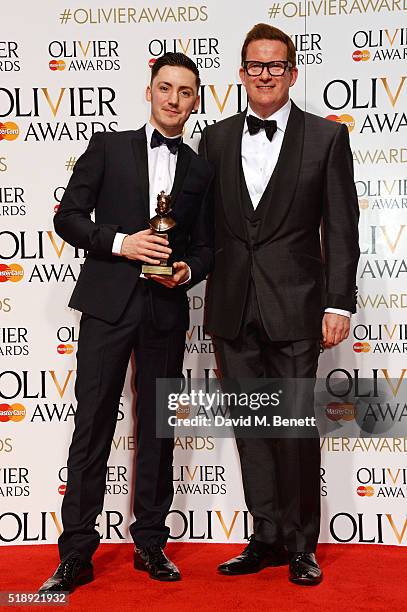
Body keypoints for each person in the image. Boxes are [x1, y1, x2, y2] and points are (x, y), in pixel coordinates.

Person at [39, 52, 213, 592]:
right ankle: (75, 553)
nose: (174, 100)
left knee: (158, 429)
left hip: (164, 309)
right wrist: (121, 242)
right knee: (92, 425)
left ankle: (151, 544)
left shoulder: (200, 167)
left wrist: (186, 269)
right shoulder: (108, 146)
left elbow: (208, 245)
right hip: (108, 305)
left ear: (195, 101)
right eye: (166, 87)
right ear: (149, 90)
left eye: (186, 92)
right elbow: (66, 216)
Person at [199, 23, 359, 585]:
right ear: (241, 73)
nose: (264, 75)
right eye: (255, 65)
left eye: (275, 65)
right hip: (232, 307)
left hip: (297, 306)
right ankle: (264, 536)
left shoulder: (326, 138)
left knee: (293, 427)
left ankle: (300, 543)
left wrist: (339, 303)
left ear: (292, 73)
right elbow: (204, 228)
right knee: (251, 428)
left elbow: (341, 230)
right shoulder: (214, 139)